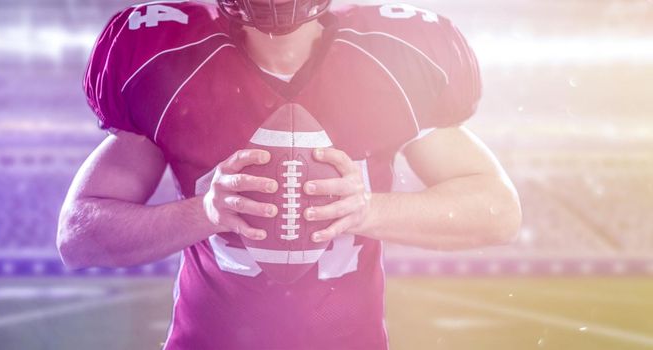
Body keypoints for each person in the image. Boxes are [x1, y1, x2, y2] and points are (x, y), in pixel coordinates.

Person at [57, 0, 522, 348]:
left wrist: (366, 210)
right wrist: (206, 212)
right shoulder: (168, 64)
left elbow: (497, 212)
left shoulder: (392, 60)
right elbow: (77, 236)